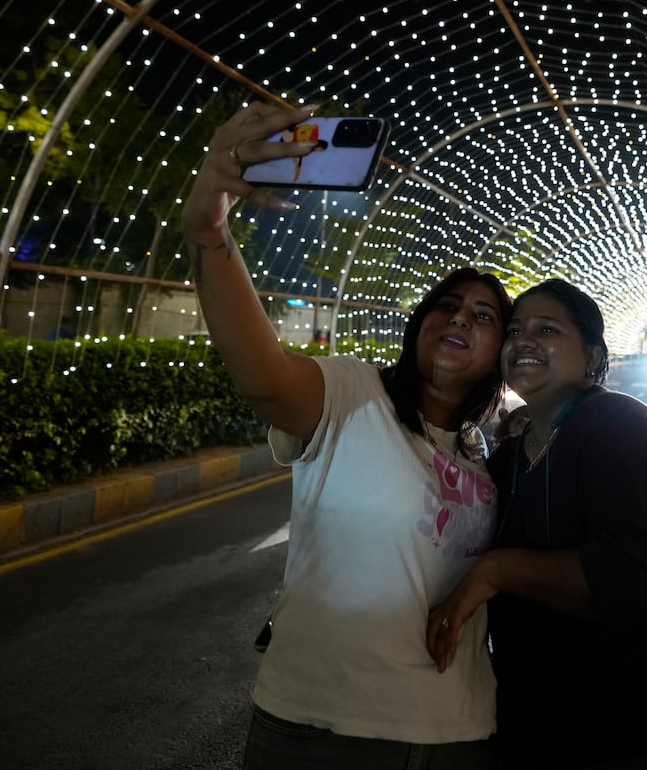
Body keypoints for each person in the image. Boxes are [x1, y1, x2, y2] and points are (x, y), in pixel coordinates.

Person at [181, 102, 511, 769]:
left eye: (483, 315)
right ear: (419, 322)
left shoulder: (497, 446)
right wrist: (210, 227)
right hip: (324, 730)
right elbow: (263, 375)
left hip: (460, 731)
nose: (459, 318)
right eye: (446, 304)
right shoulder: (352, 394)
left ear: (501, 350)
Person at [427, 279, 647, 768]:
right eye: (513, 330)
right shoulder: (513, 450)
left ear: (592, 359)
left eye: (547, 329)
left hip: (644, 735)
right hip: (550, 728)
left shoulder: (621, 429)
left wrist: (495, 571)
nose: (523, 341)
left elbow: (638, 586)